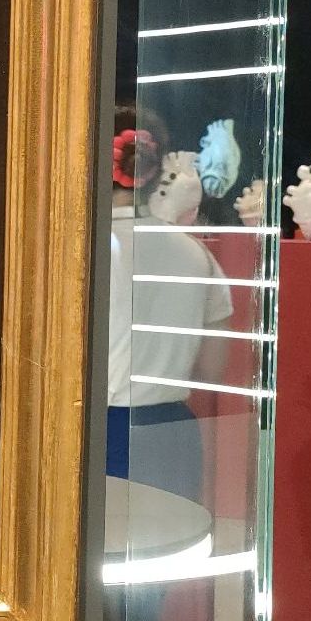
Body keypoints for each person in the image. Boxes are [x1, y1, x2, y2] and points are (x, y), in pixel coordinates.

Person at [106, 106, 232, 502]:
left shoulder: (79, 254)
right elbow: (212, 368)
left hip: (94, 427)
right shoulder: (199, 257)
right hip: (172, 431)